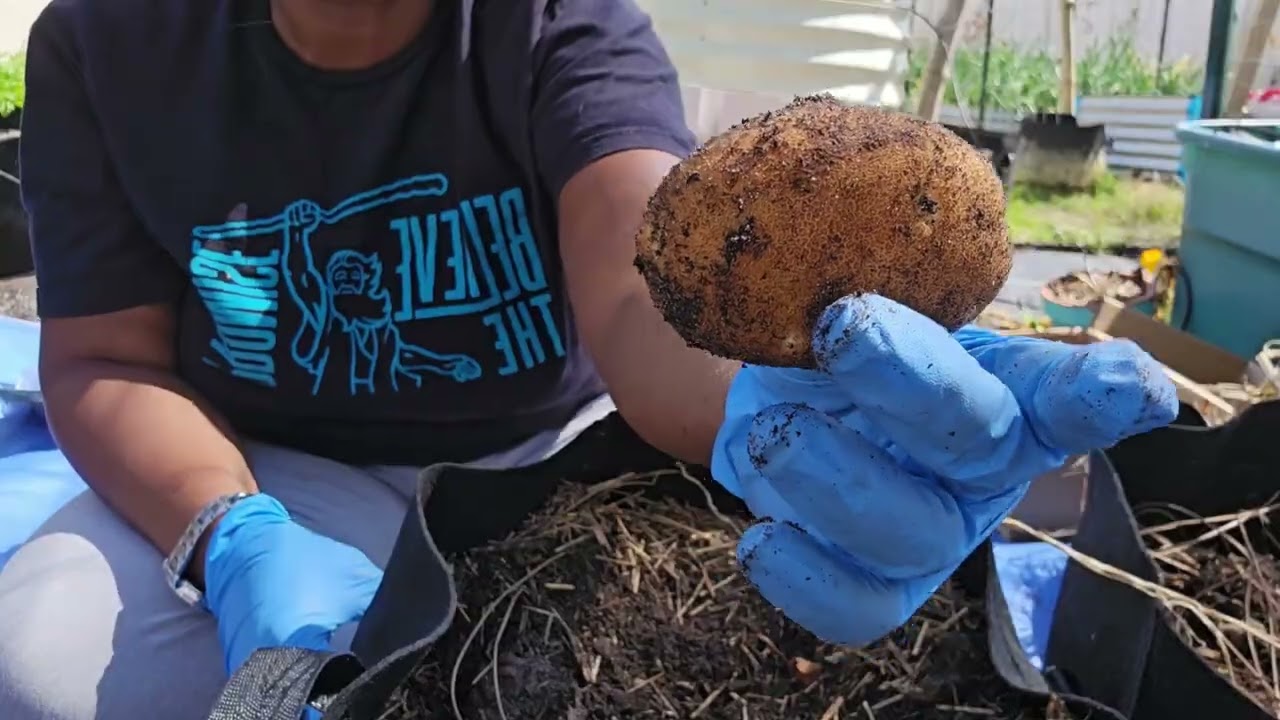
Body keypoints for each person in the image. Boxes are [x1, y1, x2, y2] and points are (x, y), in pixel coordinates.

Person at [0, 0, 1178, 718]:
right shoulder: (106, 43)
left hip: (540, 459)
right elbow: (105, 358)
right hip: (264, 460)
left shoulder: (556, 25)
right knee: (49, 667)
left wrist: (773, 397)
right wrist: (229, 533)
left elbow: (639, 285)